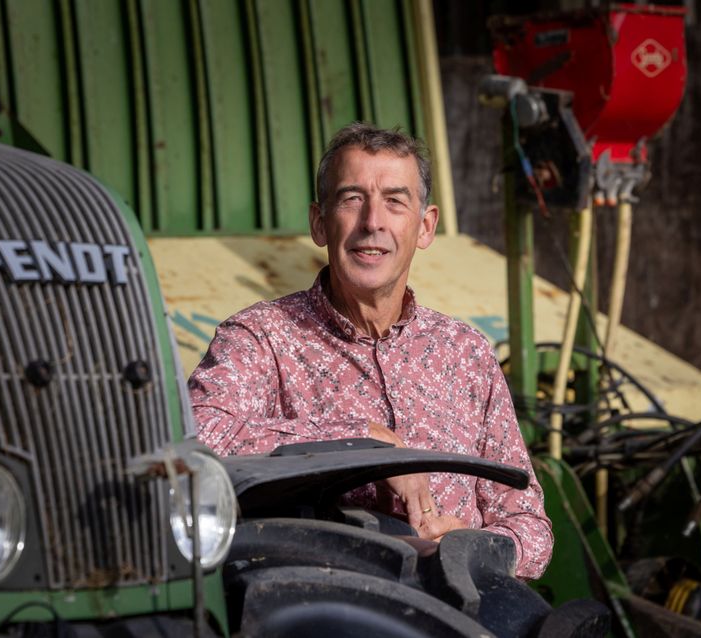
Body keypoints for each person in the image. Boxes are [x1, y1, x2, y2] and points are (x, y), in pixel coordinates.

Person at [188, 122, 553, 579]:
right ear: (320, 222)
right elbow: (197, 443)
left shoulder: (467, 354)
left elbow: (531, 526)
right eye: (352, 199)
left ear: (425, 226)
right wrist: (361, 445)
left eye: (395, 202)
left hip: (462, 610)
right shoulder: (261, 338)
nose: (373, 222)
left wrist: (474, 548)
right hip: (317, 609)